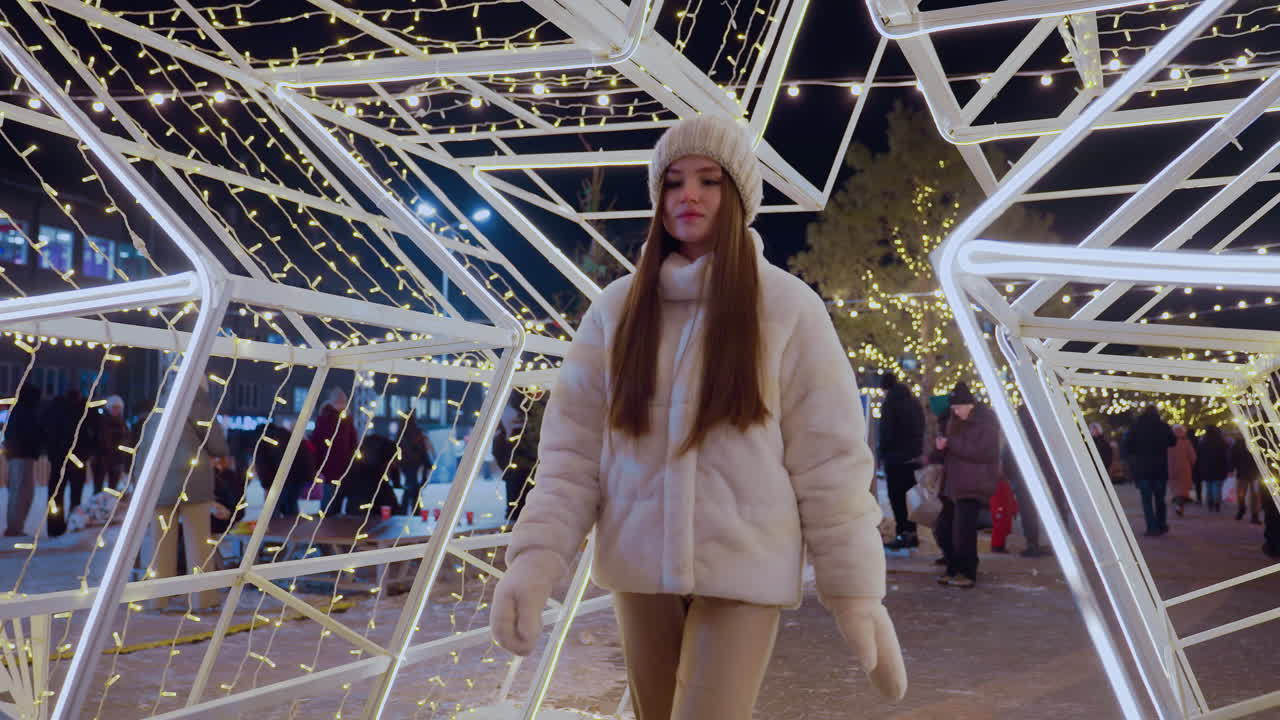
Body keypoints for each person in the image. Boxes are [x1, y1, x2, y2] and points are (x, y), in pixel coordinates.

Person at [489, 115, 907, 717]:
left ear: (736, 196)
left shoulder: (787, 306)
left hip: (744, 568)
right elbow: (572, 456)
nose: (688, 194)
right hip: (639, 571)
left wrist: (857, 592)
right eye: (674, 181)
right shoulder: (618, 310)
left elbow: (830, 460)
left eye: (709, 180)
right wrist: (534, 561)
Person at [143, 385, 228, 610]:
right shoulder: (198, 403)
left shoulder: (159, 408)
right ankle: (203, 598)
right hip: (192, 480)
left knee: (159, 543)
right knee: (198, 541)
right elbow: (217, 444)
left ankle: (157, 598)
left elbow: (142, 449)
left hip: (158, 482)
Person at [931, 382, 1000, 588]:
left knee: (964, 532)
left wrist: (951, 444)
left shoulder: (986, 423)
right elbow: (952, 449)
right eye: (953, 407)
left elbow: (983, 451)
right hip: (953, 484)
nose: (955, 411)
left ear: (970, 405)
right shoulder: (954, 420)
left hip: (973, 485)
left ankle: (967, 571)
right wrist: (939, 449)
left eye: (958, 407)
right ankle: (953, 567)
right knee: (944, 528)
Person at [878, 372, 925, 551]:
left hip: (895, 459)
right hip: (913, 458)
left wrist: (883, 453)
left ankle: (902, 533)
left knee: (896, 498)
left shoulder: (890, 404)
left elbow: (887, 433)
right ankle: (912, 533)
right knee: (911, 498)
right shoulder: (914, 403)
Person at [43, 388, 97, 536]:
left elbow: (46, 430)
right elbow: (93, 432)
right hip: (76, 458)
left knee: (57, 495)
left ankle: (55, 528)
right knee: (74, 495)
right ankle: (72, 526)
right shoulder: (84, 409)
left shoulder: (55, 408)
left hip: (60, 458)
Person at [492, 391, 544, 526]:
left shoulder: (515, 410)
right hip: (524, 470)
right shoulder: (516, 412)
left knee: (523, 515)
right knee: (523, 515)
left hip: (526, 470)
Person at [1124, 405, 1175, 536]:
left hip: (1143, 469)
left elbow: (1128, 446)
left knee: (1146, 501)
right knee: (1160, 499)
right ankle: (1161, 524)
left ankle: (1151, 527)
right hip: (1159, 468)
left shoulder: (1136, 427)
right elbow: (1172, 441)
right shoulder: (1163, 425)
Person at [3, 382, 42, 537]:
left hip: (22, 455)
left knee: (22, 493)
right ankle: (14, 528)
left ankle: (16, 526)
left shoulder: (20, 411)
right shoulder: (24, 412)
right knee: (20, 493)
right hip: (21, 455)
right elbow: (28, 433)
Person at [254, 420, 315, 517]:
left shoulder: (263, 441)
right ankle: (291, 526)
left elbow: (263, 465)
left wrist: (266, 484)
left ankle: (278, 526)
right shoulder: (286, 434)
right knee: (290, 503)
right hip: (301, 474)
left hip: (287, 476)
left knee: (278, 506)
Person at [311, 387, 357, 510]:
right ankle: (327, 521)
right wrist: (318, 465)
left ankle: (332, 519)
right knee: (329, 500)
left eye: (344, 402)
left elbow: (353, 441)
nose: (342, 405)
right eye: (340, 402)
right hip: (330, 465)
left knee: (336, 497)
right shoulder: (325, 417)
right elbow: (317, 443)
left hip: (343, 465)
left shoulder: (347, 418)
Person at [396, 412, 434, 515]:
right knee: (413, 487)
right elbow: (421, 448)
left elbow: (398, 447)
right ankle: (414, 511)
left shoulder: (401, 432)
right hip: (415, 462)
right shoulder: (416, 432)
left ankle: (405, 511)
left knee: (410, 486)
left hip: (406, 463)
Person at [92, 395, 129, 493]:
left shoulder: (122, 423)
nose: (116, 410)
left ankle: (110, 505)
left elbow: (126, 439)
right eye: (114, 408)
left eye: (118, 408)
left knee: (113, 488)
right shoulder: (100, 422)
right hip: (101, 459)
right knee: (98, 487)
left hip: (116, 459)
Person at [1195, 425, 1230, 513]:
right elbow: (1226, 457)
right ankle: (1216, 503)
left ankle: (1210, 503)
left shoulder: (1203, 443)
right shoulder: (1221, 443)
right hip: (1218, 467)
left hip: (1206, 467)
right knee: (1217, 486)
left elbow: (1199, 456)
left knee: (1208, 486)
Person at [1231, 434, 1262, 524]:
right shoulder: (1239, 442)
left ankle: (1253, 514)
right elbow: (1233, 456)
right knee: (1243, 493)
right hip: (1245, 472)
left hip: (1253, 472)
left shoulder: (1256, 441)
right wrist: (1231, 468)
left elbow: (1232, 456)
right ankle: (1242, 508)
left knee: (1253, 494)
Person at [1168, 424, 1197, 517]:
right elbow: (1193, 457)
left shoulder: (1168, 443)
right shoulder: (1186, 443)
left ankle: (1178, 505)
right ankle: (1180, 506)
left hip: (1171, 468)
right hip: (1184, 469)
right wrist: (1192, 464)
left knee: (1175, 489)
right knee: (1183, 490)